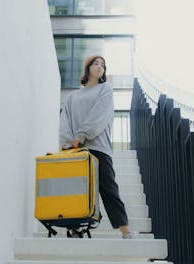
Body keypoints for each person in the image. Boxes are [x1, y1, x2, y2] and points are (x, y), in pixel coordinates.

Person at [59, 55, 135, 239]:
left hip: (99, 148)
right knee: (78, 191)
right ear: (88, 67)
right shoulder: (72, 96)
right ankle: (76, 228)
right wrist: (68, 143)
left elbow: (100, 114)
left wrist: (82, 135)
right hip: (75, 150)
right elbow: (65, 121)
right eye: (96, 63)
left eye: (103, 65)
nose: (99, 67)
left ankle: (125, 231)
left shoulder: (105, 89)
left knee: (109, 189)